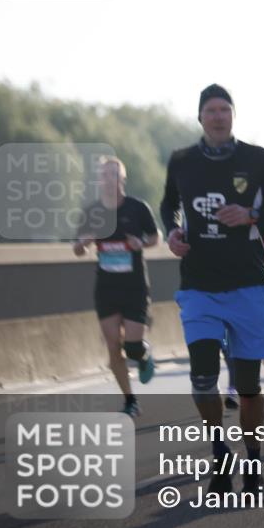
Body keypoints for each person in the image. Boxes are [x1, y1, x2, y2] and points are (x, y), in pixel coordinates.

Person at [161, 83, 264, 496]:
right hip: (199, 284)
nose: (218, 116)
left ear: (233, 116)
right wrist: (173, 232)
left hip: (248, 285)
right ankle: (221, 450)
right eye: (211, 110)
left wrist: (251, 214)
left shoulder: (256, 159)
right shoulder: (182, 160)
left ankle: (253, 454)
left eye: (225, 110)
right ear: (200, 117)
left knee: (249, 384)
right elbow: (168, 205)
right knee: (202, 377)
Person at [74, 156, 158, 417]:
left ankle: (143, 355)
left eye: (113, 174)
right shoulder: (92, 211)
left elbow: (155, 238)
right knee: (112, 346)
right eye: (104, 175)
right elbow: (76, 249)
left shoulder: (137, 208)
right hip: (107, 288)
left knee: (132, 346)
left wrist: (140, 243)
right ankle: (130, 400)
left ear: (122, 178)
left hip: (134, 287)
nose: (109, 179)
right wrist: (84, 243)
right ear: (100, 180)